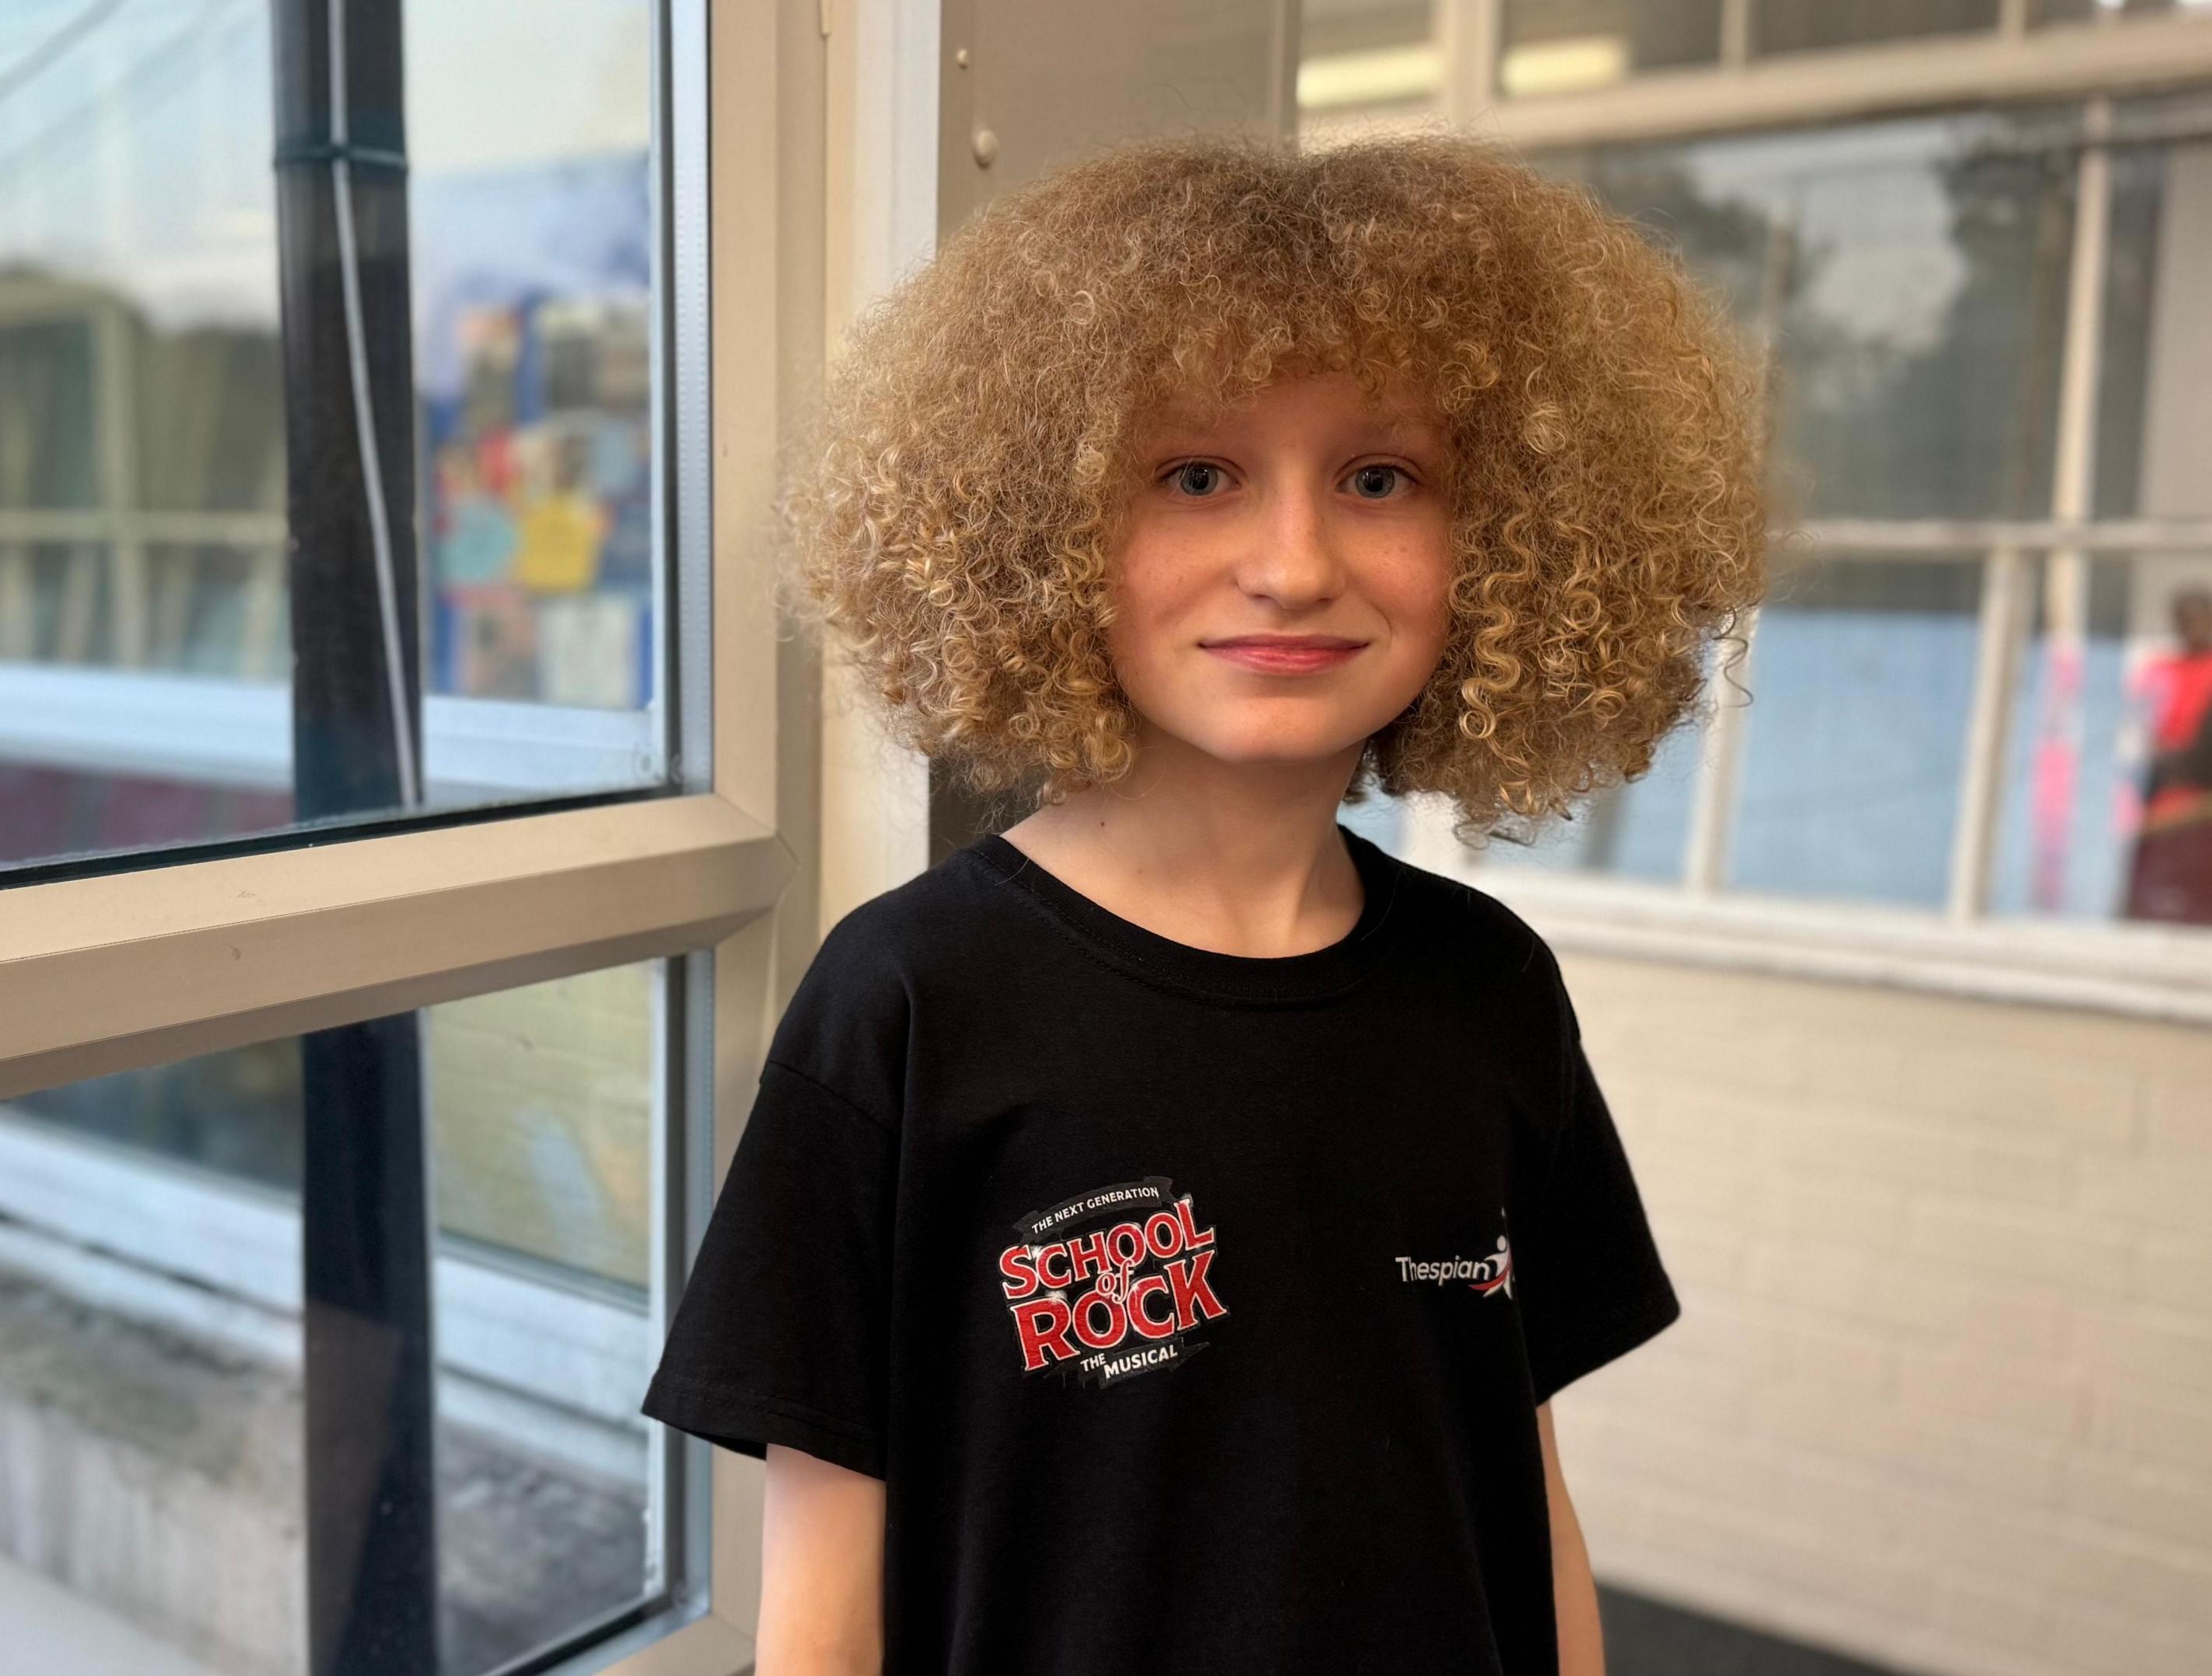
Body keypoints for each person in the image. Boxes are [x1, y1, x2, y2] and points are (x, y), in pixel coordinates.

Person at [637, 131, 1769, 1674]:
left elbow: (1523, 1480)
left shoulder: (1490, 988)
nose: (1293, 563)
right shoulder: (909, 1002)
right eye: (1195, 475)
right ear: (1043, 530)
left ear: (1502, 544)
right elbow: (823, 1609)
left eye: (1380, 476)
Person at [2124, 588, 2212, 924]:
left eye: (2200, 617)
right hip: (2160, 803)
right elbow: (2138, 726)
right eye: (2185, 618)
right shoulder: (2159, 668)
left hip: (2200, 805)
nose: (2193, 626)